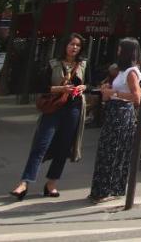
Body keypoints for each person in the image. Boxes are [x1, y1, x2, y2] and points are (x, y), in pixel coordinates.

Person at [10, 33, 87, 199]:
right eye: (71, 44)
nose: (74, 47)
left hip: (73, 108)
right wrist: (60, 89)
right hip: (54, 108)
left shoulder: (83, 65)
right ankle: (25, 182)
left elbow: (91, 84)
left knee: (63, 146)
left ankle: (52, 183)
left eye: (77, 45)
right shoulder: (53, 64)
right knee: (41, 144)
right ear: (65, 45)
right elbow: (40, 85)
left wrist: (83, 87)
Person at [88, 37, 141, 204]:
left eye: (120, 49)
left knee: (114, 150)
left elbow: (137, 97)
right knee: (107, 151)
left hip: (122, 113)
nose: (117, 52)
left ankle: (110, 189)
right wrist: (109, 91)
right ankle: (101, 188)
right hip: (114, 111)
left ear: (126, 52)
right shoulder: (122, 71)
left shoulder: (131, 72)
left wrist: (114, 93)